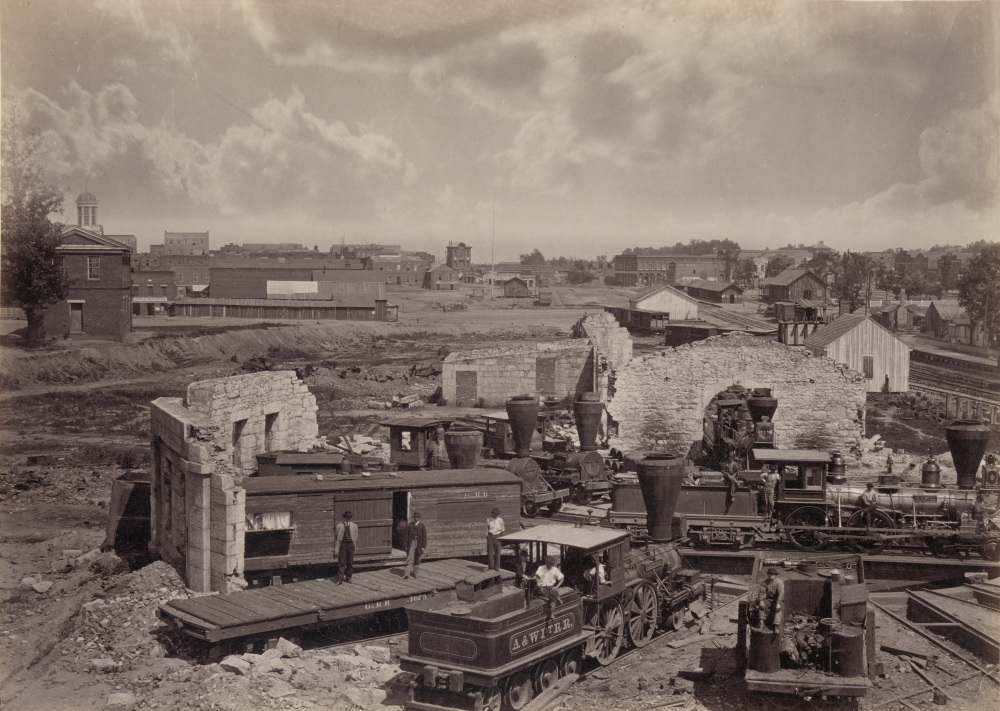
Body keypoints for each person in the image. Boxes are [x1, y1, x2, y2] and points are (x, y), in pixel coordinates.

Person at [334, 510, 358, 584]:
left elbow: (356, 536)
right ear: (344, 517)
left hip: (350, 545)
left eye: (349, 517)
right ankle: (339, 579)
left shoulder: (354, 526)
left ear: (350, 518)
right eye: (346, 517)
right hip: (343, 545)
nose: (347, 519)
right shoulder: (339, 526)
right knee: (341, 562)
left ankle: (348, 578)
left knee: (350, 562)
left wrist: (352, 544)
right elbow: (336, 536)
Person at [403, 511, 427, 579]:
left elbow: (424, 537)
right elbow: (406, 536)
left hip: (419, 543)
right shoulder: (409, 525)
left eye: (417, 517)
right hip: (411, 543)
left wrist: (423, 547)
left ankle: (415, 573)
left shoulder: (422, 526)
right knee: (409, 558)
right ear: (413, 517)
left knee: (418, 559)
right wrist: (405, 546)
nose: (416, 518)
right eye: (415, 517)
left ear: (419, 518)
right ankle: (406, 574)